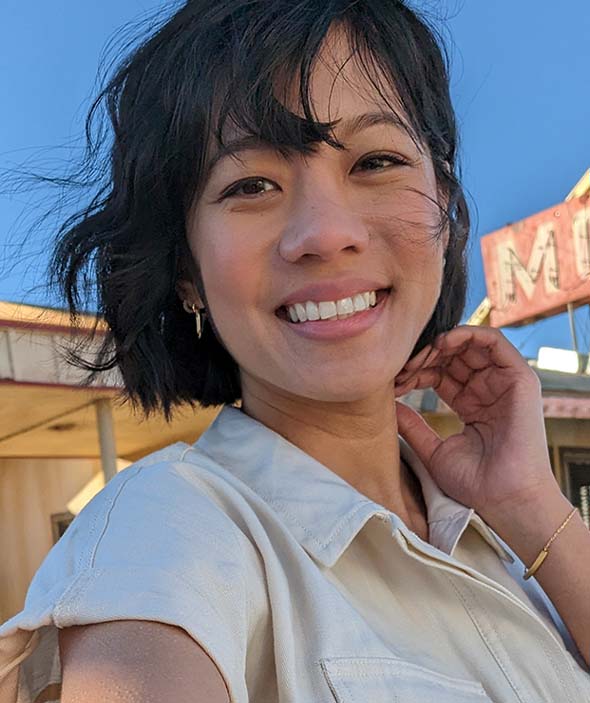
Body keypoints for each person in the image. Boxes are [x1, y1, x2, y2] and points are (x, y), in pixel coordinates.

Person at [1, 1, 589, 701]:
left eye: (376, 161)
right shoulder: (167, 530)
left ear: (444, 206)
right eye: (250, 185)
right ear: (186, 270)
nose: (325, 232)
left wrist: (529, 502)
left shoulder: (502, 533)